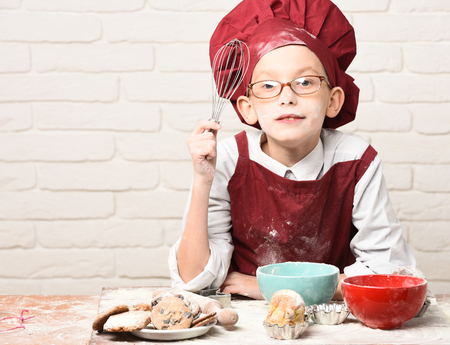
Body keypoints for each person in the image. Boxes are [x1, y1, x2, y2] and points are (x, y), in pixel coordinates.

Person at [168, 0, 416, 300]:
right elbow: (194, 279)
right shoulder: (229, 159)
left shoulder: (355, 160)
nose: (287, 97)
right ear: (248, 109)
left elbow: (389, 274)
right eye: (269, 86)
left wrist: (268, 287)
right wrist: (202, 180)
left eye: (305, 82)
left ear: (333, 100)